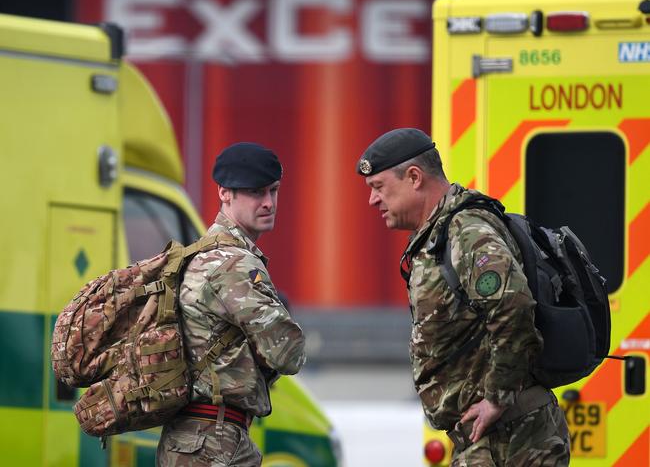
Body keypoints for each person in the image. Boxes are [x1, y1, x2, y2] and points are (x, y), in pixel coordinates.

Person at [356, 128, 570, 466]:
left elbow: (512, 306)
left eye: (378, 187)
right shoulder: (439, 235)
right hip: (489, 440)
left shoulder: (466, 230)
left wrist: (497, 398)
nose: (373, 200)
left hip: (512, 438)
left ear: (414, 177)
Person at [157, 142, 306, 466]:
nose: (268, 203)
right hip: (210, 440)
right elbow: (289, 353)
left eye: (273, 190)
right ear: (225, 193)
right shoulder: (232, 263)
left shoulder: (202, 252)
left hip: (206, 438)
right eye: (255, 192)